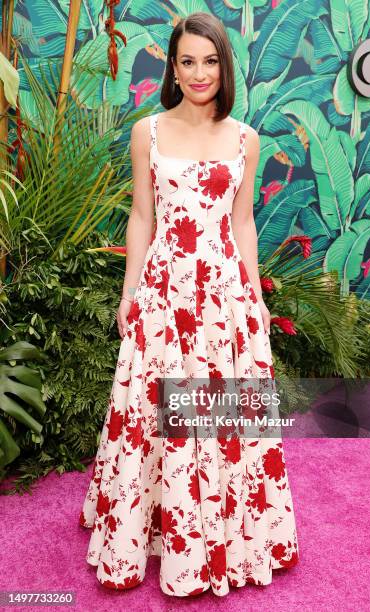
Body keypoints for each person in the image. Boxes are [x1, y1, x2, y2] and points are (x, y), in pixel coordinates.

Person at [79, 11, 299, 597]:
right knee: (156, 414)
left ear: (223, 66)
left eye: (209, 61)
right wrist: (130, 293)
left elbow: (244, 221)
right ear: (173, 69)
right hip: (163, 293)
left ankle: (224, 533)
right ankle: (150, 528)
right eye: (187, 61)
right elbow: (142, 216)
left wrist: (252, 299)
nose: (199, 72)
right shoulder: (146, 133)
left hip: (224, 296)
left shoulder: (247, 138)